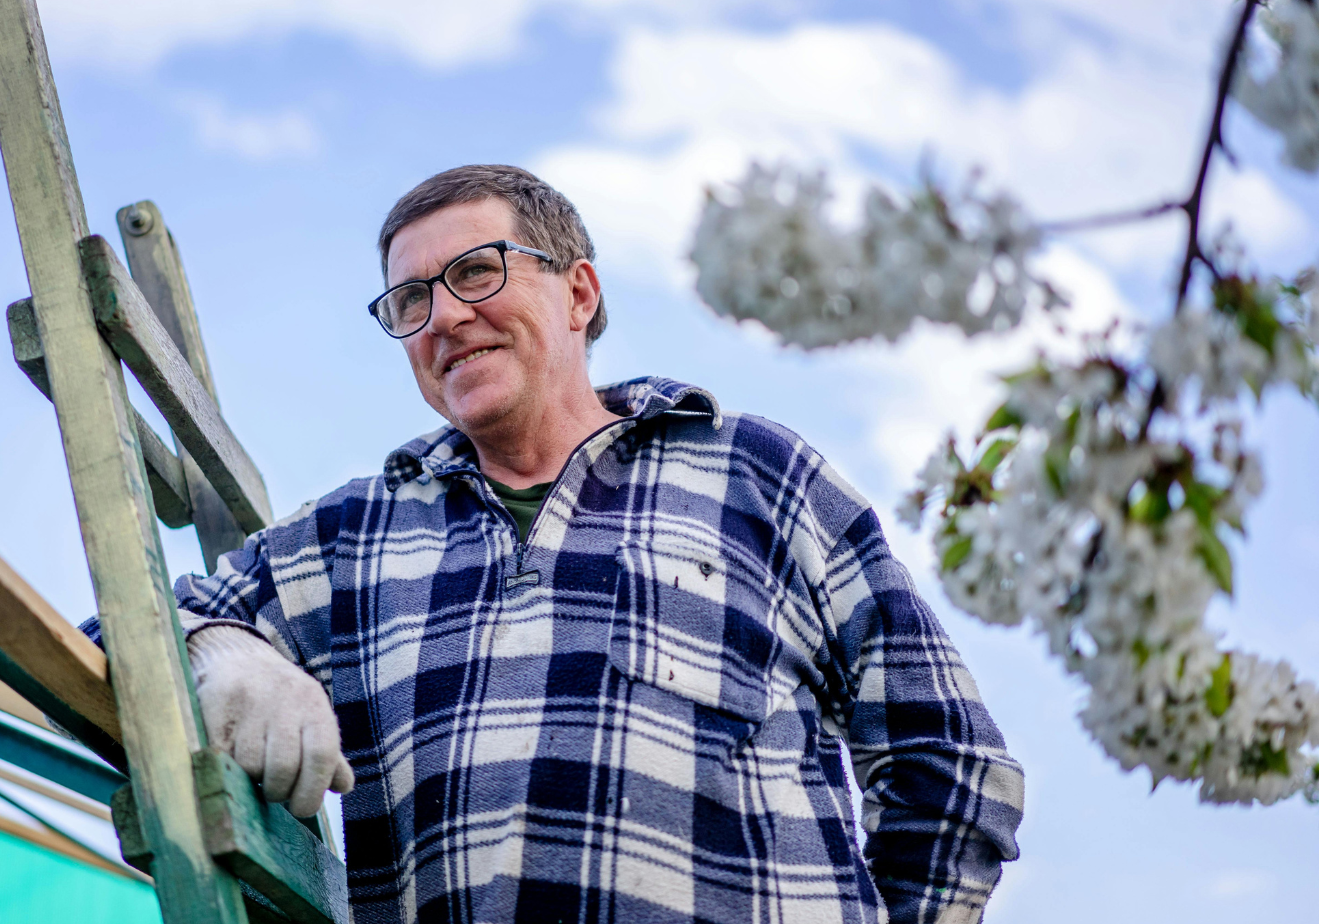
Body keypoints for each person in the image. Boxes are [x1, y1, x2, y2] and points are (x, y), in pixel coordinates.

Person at [93, 165, 1024, 924]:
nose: (444, 317)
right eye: (410, 300)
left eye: (475, 273)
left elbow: (951, 766)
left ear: (579, 291)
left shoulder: (760, 475)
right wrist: (220, 653)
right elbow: (126, 628)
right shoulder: (355, 534)